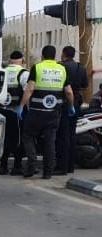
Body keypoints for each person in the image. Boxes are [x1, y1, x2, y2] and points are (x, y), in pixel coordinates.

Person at [20, 45, 75, 179]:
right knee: (50, 141)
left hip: (36, 111)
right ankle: (48, 172)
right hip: (54, 112)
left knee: (27, 135)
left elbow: (30, 89)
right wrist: (71, 106)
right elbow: (68, 91)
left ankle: (32, 162)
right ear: (55, 55)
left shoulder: (37, 67)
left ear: (42, 56)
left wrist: (21, 106)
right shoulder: (62, 69)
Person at [55, 46, 88, 175]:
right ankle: (70, 166)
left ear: (63, 54)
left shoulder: (60, 66)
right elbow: (85, 85)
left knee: (61, 135)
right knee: (72, 134)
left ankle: (61, 166)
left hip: (63, 101)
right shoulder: (81, 67)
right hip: (76, 101)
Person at [0, 51, 29, 175]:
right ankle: (17, 166)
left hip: (2, 110)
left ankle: (3, 165)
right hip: (17, 112)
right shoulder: (23, 73)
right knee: (18, 138)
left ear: (10, 60)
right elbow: (28, 92)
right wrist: (23, 107)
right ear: (22, 60)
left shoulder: (3, 71)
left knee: (4, 138)